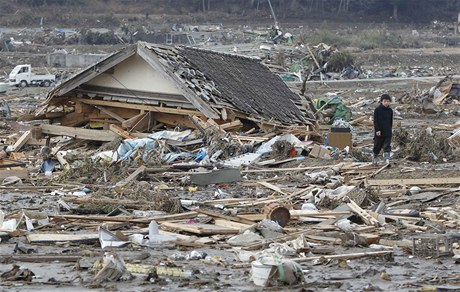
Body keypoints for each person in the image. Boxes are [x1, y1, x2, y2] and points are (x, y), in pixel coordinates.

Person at [373, 94, 393, 165]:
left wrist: (390, 130)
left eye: (388, 101)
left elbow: (390, 121)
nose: (386, 103)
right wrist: (377, 130)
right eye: (385, 101)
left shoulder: (390, 110)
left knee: (387, 146)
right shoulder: (377, 110)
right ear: (381, 101)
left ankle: (387, 160)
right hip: (379, 131)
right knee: (377, 145)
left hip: (387, 131)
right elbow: (375, 121)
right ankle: (375, 158)